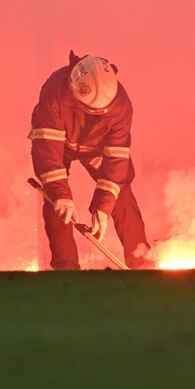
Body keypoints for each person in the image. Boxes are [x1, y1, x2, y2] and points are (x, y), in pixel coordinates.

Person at [29, 51, 152, 269]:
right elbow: (48, 151)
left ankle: (141, 262)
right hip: (60, 145)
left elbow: (116, 158)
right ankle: (66, 269)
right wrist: (61, 195)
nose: (98, 115)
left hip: (96, 149)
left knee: (120, 190)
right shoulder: (54, 92)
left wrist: (103, 208)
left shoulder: (121, 106)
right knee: (56, 201)